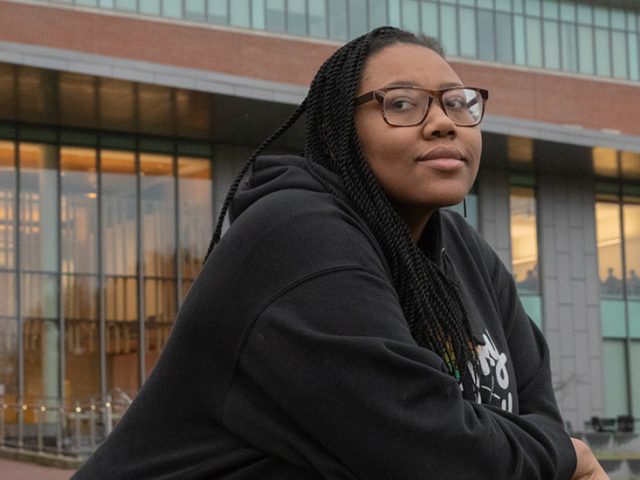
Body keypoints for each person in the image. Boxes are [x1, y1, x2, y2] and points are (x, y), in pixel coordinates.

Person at [72, 27, 607, 479]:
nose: (444, 121)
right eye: (402, 104)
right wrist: (567, 456)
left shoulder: (467, 256)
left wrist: (553, 450)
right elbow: (422, 446)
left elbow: (534, 414)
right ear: (340, 132)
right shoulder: (296, 235)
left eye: (458, 102)